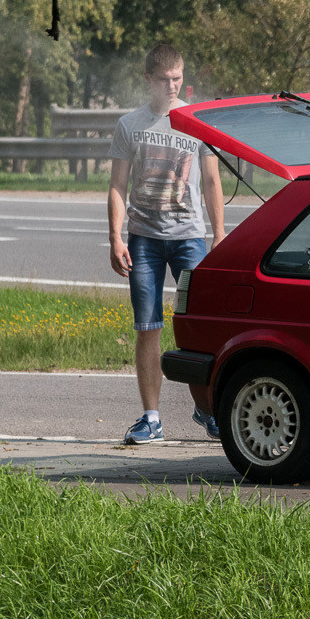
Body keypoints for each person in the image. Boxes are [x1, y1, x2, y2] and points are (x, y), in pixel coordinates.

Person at [108, 44, 225, 444]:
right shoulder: (130, 125)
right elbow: (117, 187)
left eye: (177, 77)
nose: (172, 85)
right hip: (144, 239)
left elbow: (211, 182)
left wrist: (219, 234)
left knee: (199, 327)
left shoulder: (196, 121)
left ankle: (207, 408)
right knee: (148, 326)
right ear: (148, 80)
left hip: (189, 238)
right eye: (165, 79)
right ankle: (151, 418)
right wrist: (115, 237)